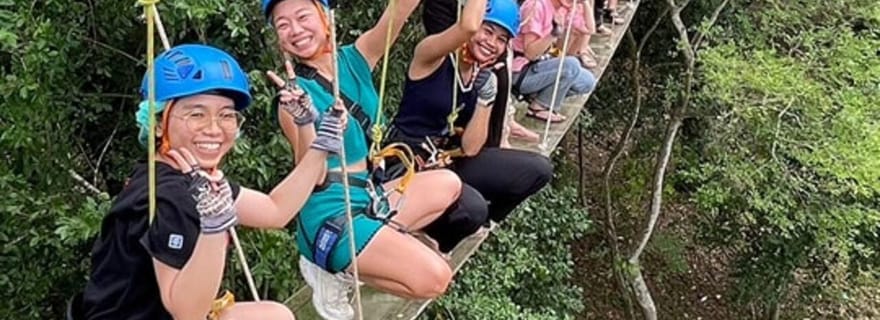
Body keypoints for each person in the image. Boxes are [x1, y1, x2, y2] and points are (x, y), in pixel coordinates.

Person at [80, 44, 346, 319]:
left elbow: (274, 209)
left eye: (226, 115)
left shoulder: (183, 176)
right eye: (196, 114)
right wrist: (214, 228)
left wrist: (318, 142)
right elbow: (187, 312)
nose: (214, 129)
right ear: (157, 123)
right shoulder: (169, 195)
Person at [263, 0, 462, 318]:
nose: (295, 30)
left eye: (302, 17)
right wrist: (304, 121)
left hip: (369, 194)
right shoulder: (294, 97)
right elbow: (309, 176)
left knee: (448, 184)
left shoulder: (354, 59)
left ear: (326, 18)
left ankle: (350, 261)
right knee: (436, 278)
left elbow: (397, 13)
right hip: (332, 211)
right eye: (282, 25)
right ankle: (333, 269)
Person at [388, 0, 553, 234]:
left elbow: (472, 147)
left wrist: (486, 98)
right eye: (487, 31)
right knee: (472, 208)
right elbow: (466, 27)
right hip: (406, 159)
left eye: (501, 39)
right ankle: (433, 231)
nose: (491, 43)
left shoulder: (480, 77)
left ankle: (476, 223)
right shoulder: (432, 56)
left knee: (539, 169)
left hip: (445, 160)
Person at [513, 0, 597, 123]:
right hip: (521, 71)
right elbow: (530, 53)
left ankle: (538, 96)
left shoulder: (564, 8)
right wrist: (554, 33)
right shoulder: (536, 6)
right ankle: (538, 107)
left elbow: (589, 29)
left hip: (541, 65)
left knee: (587, 81)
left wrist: (585, 3)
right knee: (571, 65)